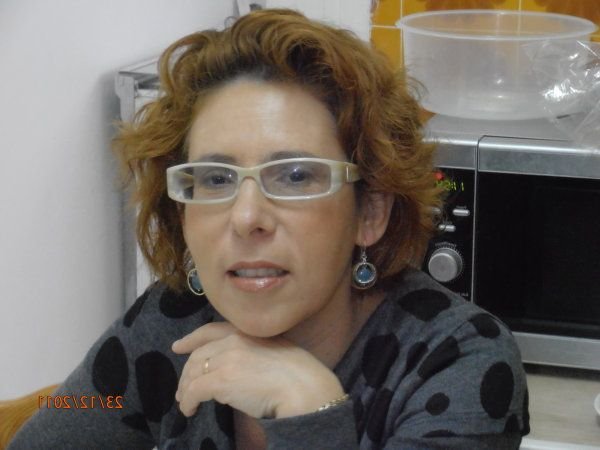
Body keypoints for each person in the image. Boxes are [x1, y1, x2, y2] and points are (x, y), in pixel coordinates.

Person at [9, 8, 529, 450]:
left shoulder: (458, 361)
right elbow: (70, 415)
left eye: (296, 176)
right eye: (215, 178)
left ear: (369, 212)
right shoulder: (170, 324)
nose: (246, 218)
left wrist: (308, 412)